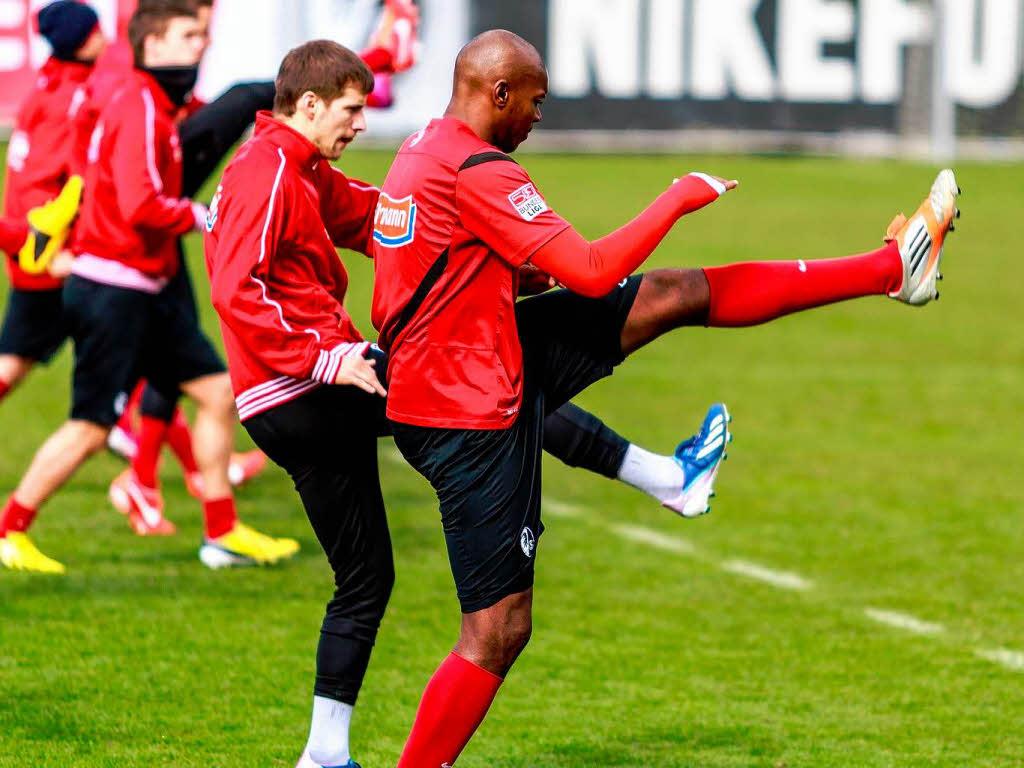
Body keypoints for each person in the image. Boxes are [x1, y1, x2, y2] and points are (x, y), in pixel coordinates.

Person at [369, 30, 959, 766]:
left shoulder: (425, 145)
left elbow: (429, 263)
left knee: (674, 293)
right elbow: (587, 271)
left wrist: (508, 279)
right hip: (469, 408)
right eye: (535, 101)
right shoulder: (479, 169)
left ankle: (888, 270)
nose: (538, 117)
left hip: (469, 352)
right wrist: (677, 197)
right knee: (497, 631)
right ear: (498, 95)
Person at [203, 39, 736, 768]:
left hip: (283, 399)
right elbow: (238, 291)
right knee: (487, 385)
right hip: (309, 386)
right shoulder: (266, 171)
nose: (360, 126)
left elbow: (378, 220)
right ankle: (668, 478)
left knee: (365, 578)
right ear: (308, 105)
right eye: (352, 112)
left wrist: (481, 262)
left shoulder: (297, 168)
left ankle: (324, 755)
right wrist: (326, 356)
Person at [0, 1, 298, 574]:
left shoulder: (147, 102)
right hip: (113, 290)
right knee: (90, 427)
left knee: (215, 392)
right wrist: (204, 216)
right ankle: (11, 529)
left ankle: (222, 532)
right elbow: (141, 205)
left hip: (140, 286)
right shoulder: (137, 103)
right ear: (153, 44)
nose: (201, 44)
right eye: (189, 34)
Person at [0, 1, 106, 410]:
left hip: (35, 252)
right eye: (96, 32)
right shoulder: (71, 100)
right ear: (80, 43)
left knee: (135, 353)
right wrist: (55, 250)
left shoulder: (48, 85)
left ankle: (148, 460)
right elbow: (52, 184)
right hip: (49, 254)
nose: (105, 38)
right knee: (137, 349)